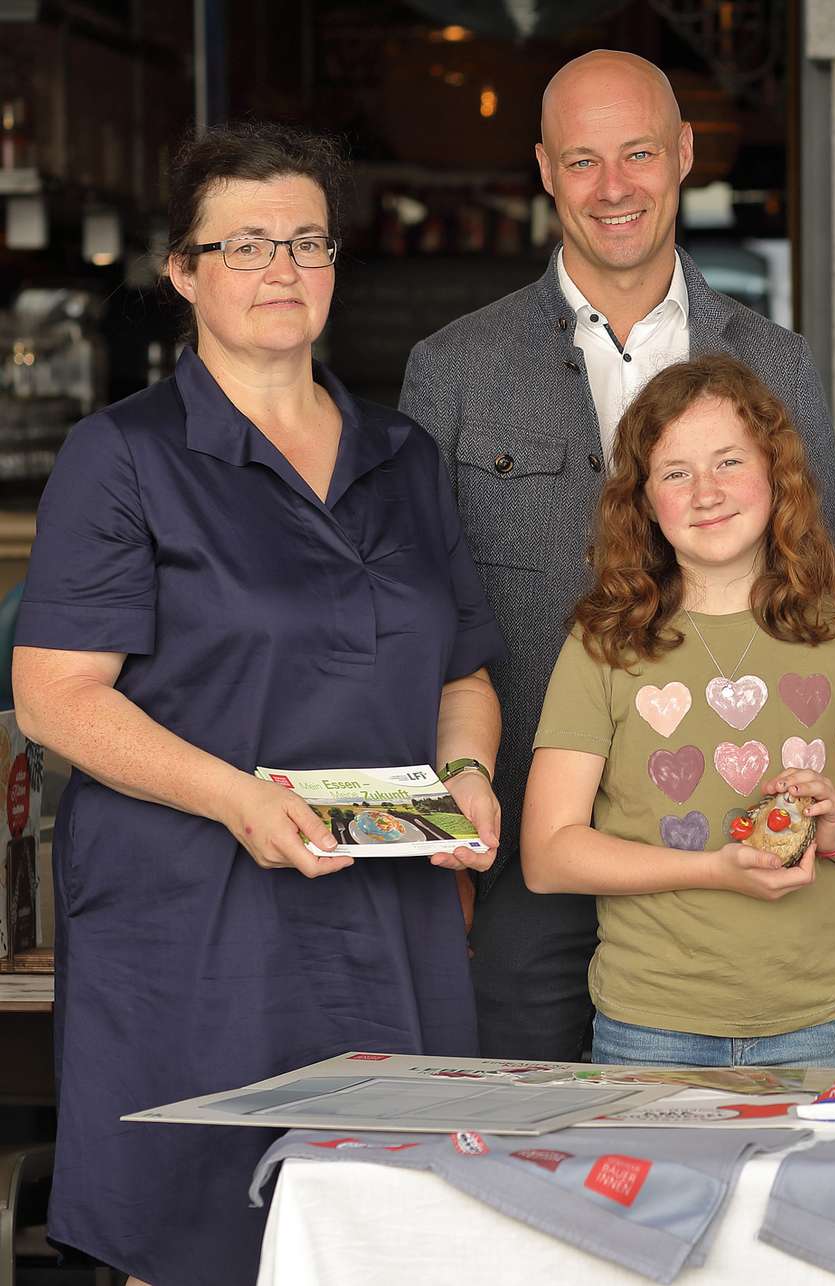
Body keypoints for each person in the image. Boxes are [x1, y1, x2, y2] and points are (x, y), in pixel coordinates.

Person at [10, 121, 502, 1286]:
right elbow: (55, 696)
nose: (282, 267)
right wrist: (237, 798)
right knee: (198, 1241)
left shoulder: (403, 454)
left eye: (306, 240)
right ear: (183, 272)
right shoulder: (124, 455)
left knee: (392, 1230)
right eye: (245, 244)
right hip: (196, 925)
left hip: (386, 912)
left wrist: (470, 775)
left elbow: (463, 672)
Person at [401, 50, 835, 1062]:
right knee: (526, 1131)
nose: (614, 187)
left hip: (726, 849)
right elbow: (420, 618)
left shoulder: (775, 362)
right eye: (583, 160)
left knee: (725, 1137)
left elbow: (823, 589)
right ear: (545, 171)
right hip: (524, 849)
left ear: (684, 153)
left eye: (638, 153)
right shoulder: (453, 370)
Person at [520, 355, 835, 1067]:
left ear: (776, 473)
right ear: (644, 501)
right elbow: (548, 855)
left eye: (729, 462)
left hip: (818, 1019)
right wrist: (714, 870)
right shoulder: (604, 642)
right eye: (675, 473)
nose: (706, 493)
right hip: (650, 1022)